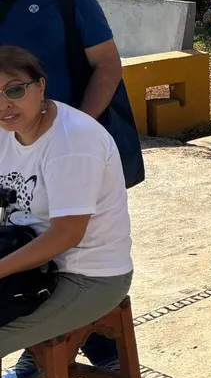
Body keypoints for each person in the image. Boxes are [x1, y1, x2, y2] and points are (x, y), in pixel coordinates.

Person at [0, 0, 140, 378]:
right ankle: (35, 344)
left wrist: (74, 128)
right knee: (23, 229)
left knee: (81, 244)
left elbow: (106, 64)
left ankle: (97, 343)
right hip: (9, 146)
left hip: (72, 143)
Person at [0, 47, 133, 361]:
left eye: (15, 90)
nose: (5, 104)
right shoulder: (8, 130)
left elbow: (66, 235)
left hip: (86, 275)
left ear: (41, 86)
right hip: (26, 259)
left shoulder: (72, 142)